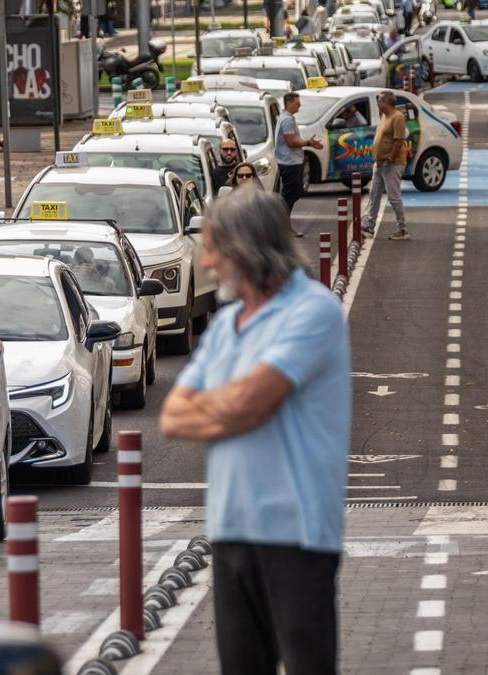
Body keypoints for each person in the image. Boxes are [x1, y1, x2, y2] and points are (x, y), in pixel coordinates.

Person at [159, 188, 350, 675]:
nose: (206, 262)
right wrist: (238, 409)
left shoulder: (315, 310)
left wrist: (229, 405)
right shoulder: (226, 326)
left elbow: (248, 401)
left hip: (297, 534)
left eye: (213, 248)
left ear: (246, 249)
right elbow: (172, 417)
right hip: (231, 529)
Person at [361, 91, 409, 241]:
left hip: (392, 164)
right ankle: (370, 226)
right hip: (379, 163)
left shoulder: (397, 117)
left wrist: (390, 157)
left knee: (394, 197)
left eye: (379, 100)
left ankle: (402, 229)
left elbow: (399, 141)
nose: (377, 103)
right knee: (374, 194)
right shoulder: (384, 116)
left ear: (387, 102)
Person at [275, 92, 322, 225]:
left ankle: (283, 224)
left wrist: (307, 142)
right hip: (289, 162)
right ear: (289, 103)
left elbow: (293, 139)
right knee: (290, 195)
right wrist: (308, 143)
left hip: (289, 160)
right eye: (297, 103)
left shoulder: (286, 117)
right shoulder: (287, 119)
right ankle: (282, 225)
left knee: (292, 193)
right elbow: (290, 141)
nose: (299, 106)